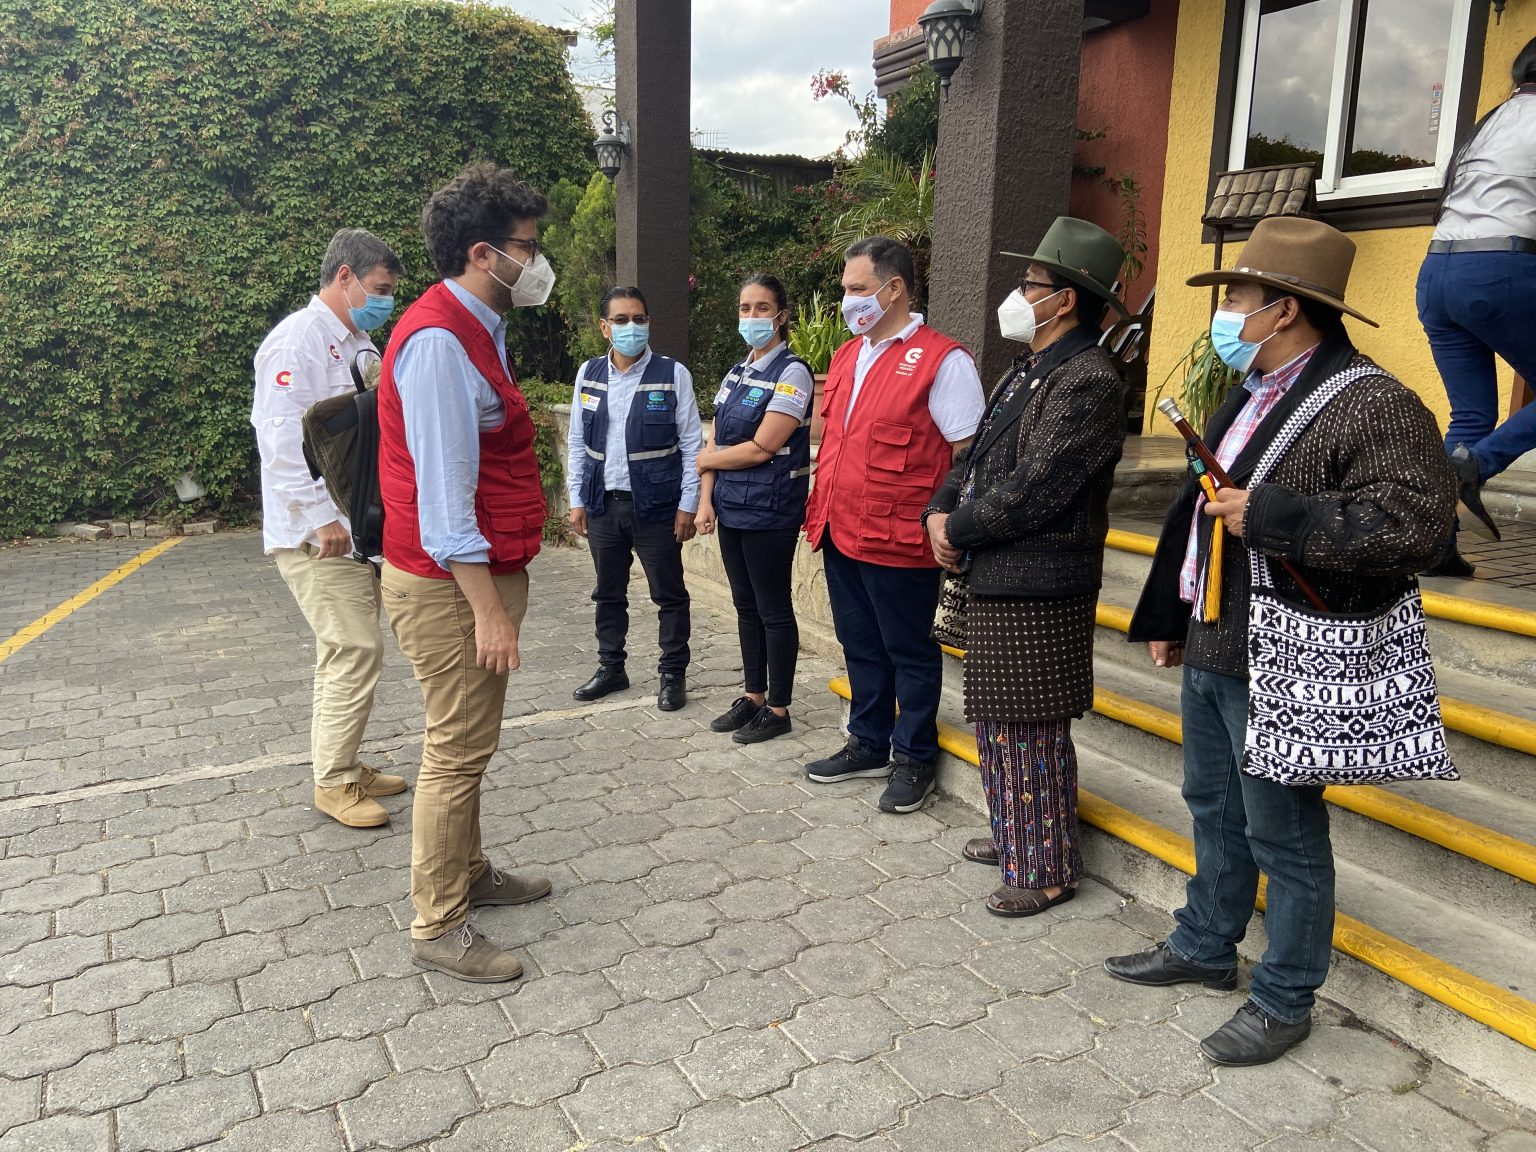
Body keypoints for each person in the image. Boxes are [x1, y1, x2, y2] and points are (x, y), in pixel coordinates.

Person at [1110, 217, 1456, 1065]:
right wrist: (1172, 614)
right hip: (1218, 636)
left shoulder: (1371, 402)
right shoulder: (1255, 390)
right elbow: (1200, 510)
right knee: (1212, 807)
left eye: (1238, 297)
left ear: (1288, 309)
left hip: (1287, 650)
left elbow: (1416, 527)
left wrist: (1270, 515)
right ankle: (1203, 942)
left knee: (1285, 836)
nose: (1227, 312)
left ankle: (1285, 996)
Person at [376, 163, 556, 983]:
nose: (538, 262)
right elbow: (446, 505)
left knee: (471, 744)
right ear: (484, 253)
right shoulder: (443, 342)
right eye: (527, 247)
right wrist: (488, 612)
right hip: (451, 584)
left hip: (468, 577)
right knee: (454, 748)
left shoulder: (478, 326)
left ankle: (469, 871)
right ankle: (439, 921)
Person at [923, 218, 1128, 917]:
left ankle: (1045, 867)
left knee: (1030, 722)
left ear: (1064, 299)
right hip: (998, 571)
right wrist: (938, 511)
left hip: (1042, 579)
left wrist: (961, 524)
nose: (1018, 293)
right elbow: (975, 457)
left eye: (1030, 283)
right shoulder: (1029, 367)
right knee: (996, 720)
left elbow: (1040, 487)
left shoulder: (1090, 380)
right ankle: (1017, 833)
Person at [802, 237, 986, 813]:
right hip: (840, 528)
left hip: (901, 535)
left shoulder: (943, 360)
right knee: (859, 644)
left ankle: (913, 757)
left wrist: (950, 522)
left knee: (908, 650)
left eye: (858, 289)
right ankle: (868, 742)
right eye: (846, 291)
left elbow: (970, 455)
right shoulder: (847, 355)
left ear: (895, 288)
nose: (848, 301)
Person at [251, 228, 408, 829]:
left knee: (343, 649)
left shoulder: (356, 340)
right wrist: (320, 518)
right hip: (319, 534)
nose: (385, 300)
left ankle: (341, 761)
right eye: (378, 289)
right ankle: (334, 781)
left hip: (353, 525)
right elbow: (281, 439)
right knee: (355, 647)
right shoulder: (298, 343)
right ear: (345, 276)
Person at [1416, 36, 1536, 574]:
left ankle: (1435, 545)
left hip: (1437, 272)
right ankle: (1477, 464)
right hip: (1498, 271)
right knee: (1476, 435)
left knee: (1470, 414)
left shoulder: (1492, 120)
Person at [564, 287, 702, 712]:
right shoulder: (588, 373)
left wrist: (688, 504)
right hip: (603, 505)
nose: (631, 327)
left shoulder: (671, 373)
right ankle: (612, 668)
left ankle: (672, 675)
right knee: (608, 593)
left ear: (648, 323)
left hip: (657, 507)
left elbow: (693, 443)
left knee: (669, 595)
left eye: (638, 319)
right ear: (605, 327)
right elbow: (576, 440)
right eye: (621, 320)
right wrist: (576, 498)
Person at [695, 274, 815, 744]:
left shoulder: (793, 373)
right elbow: (716, 439)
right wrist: (706, 499)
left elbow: (764, 445)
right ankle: (753, 696)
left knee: (772, 608)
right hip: (732, 508)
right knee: (745, 606)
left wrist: (706, 460)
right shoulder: (736, 372)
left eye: (762, 308)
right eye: (745, 308)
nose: (751, 317)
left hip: (771, 510)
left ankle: (780, 708)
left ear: (781, 316)